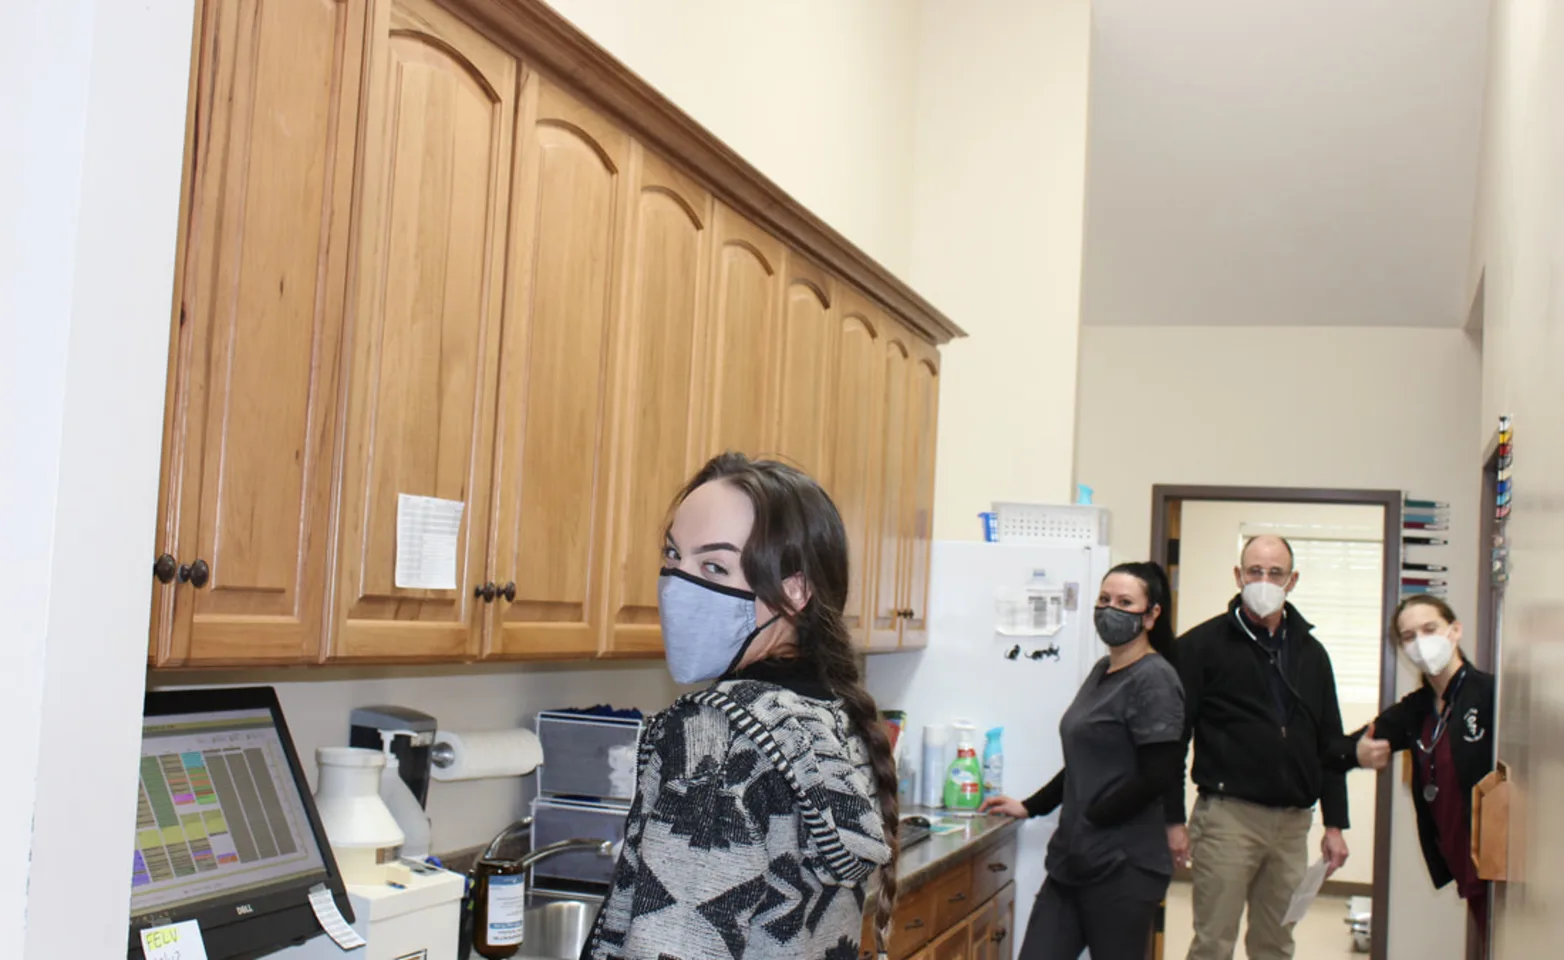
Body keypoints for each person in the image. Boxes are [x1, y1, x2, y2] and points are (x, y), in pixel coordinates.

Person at [580, 453, 896, 960]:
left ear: (793, 592)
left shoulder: (713, 733)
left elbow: (675, 944)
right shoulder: (829, 714)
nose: (676, 585)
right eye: (672, 557)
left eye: (713, 565)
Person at [980, 561, 1186, 960]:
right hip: (1072, 859)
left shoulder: (1155, 679)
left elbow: (1157, 775)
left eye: (1125, 602)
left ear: (1151, 615)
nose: (1111, 609)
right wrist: (1031, 806)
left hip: (1123, 867)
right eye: (1104, 599)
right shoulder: (1103, 670)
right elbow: (1081, 759)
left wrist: (1095, 817)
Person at [1167, 534, 1351, 960]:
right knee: (1213, 942)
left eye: (1275, 573)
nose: (1264, 580)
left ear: (1293, 580)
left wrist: (1335, 824)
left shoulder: (1312, 654)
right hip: (1228, 819)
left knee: (1276, 943)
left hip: (1292, 826)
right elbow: (1174, 741)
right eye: (1255, 571)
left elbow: (1330, 741)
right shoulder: (1200, 647)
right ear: (1238, 575)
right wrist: (1173, 820)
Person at [1328, 596, 1495, 945]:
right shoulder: (1418, 709)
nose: (1420, 642)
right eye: (1408, 636)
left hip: (1496, 861)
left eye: (1429, 629)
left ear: (1455, 631)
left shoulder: (1489, 694)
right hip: (1460, 858)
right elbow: (1342, 749)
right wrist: (1357, 752)